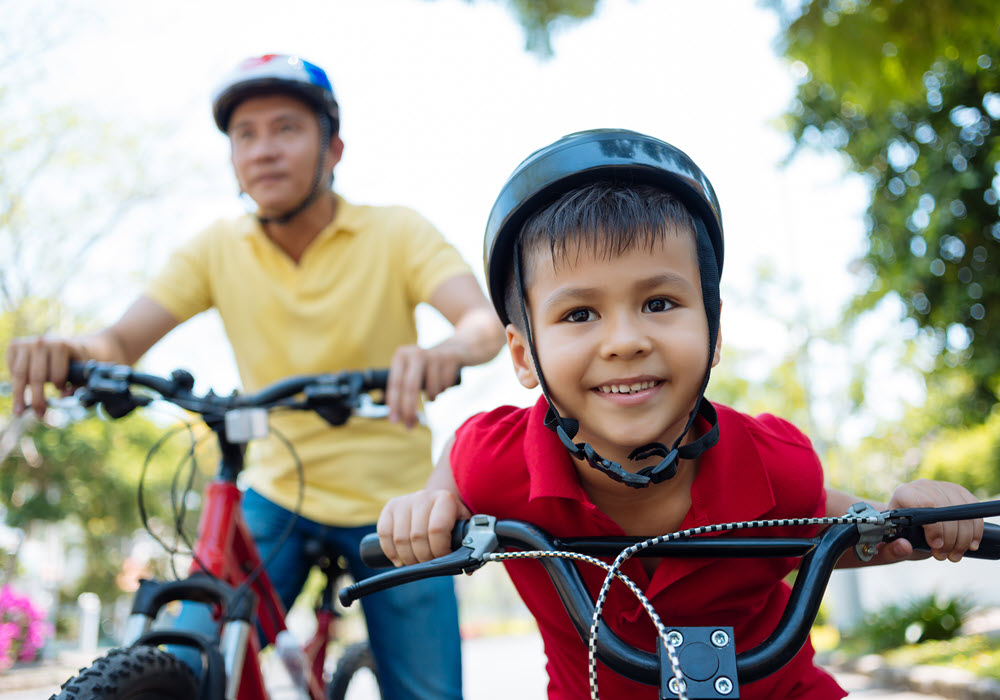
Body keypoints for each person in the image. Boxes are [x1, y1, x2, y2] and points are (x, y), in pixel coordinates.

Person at [375, 128, 985, 699]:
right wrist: (427, 501)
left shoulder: (776, 464)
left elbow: (853, 531)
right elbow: (457, 465)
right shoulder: (497, 462)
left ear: (714, 331)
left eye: (659, 302)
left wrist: (915, 520)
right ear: (523, 355)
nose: (624, 341)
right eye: (579, 314)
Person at [6, 54, 505, 700]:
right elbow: (118, 341)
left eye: (286, 129)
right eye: (245, 134)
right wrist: (70, 348)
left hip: (397, 504)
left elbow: (482, 324)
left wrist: (445, 352)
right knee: (188, 657)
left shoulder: (395, 231)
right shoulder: (216, 248)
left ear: (334, 148)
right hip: (279, 493)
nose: (263, 150)